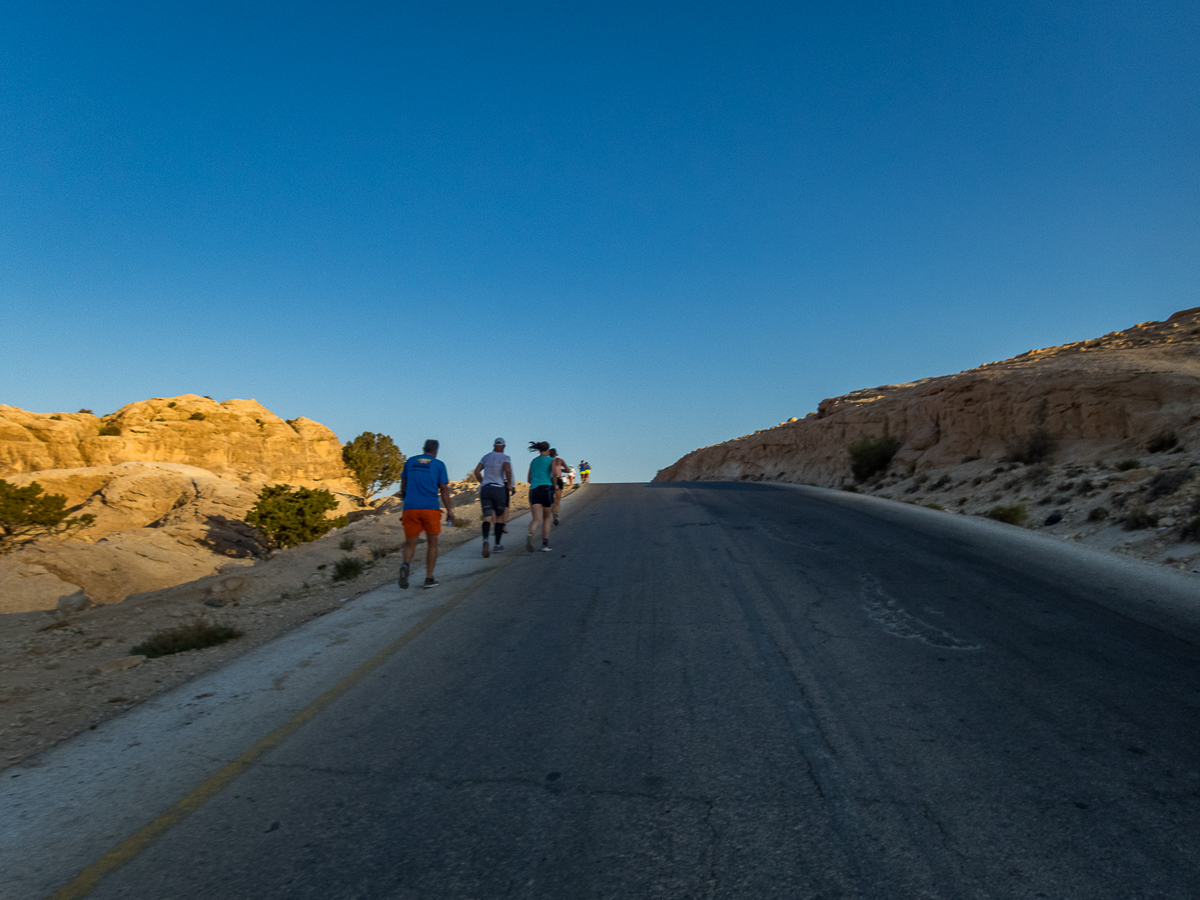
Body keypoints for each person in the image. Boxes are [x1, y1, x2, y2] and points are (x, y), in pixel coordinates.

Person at [398, 439, 454, 589]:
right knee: (432, 542)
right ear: (435, 451)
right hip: (430, 508)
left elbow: (403, 484)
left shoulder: (410, 462)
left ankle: (405, 564)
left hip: (410, 508)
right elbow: (444, 489)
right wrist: (449, 510)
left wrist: (407, 500)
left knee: (410, 542)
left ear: (424, 449)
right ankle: (429, 578)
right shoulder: (439, 465)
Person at [472, 437, 513, 557]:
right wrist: (509, 484)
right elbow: (507, 469)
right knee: (500, 518)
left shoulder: (486, 457)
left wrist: (482, 482)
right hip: (498, 488)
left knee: (487, 517)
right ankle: (497, 544)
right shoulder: (505, 457)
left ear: (494, 445)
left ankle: (485, 540)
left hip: (486, 488)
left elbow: (477, 471)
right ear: (504, 447)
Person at [526, 441, 555, 552]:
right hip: (546, 489)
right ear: (548, 450)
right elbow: (554, 474)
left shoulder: (533, 461)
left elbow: (529, 479)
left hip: (534, 490)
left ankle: (530, 535)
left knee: (536, 518)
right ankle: (544, 544)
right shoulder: (551, 460)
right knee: (546, 518)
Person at [549, 448, 568, 527]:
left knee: (551, 500)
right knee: (558, 499)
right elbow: (567, 470)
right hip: (559, 479)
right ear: (556, 454)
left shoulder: (548, 461)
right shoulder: (560, 460)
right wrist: (561, 470)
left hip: (550, 480)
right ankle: (556, 513)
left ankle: (554, 516)